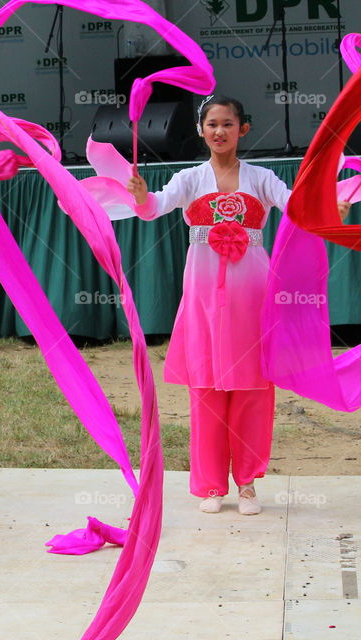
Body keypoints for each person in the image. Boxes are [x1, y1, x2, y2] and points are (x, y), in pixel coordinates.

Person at [126, 96, 349, 515]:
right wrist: (140, 196)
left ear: (243, 130)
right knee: (206, 387)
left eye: (228, 124)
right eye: (212, 124)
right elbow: (153, 209)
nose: (219, 132)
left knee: (253, 386)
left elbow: (298, 208)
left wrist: (330, 208)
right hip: (203, 295)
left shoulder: (262, 178)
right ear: (200, 130)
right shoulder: (189, 179)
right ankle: (211, 486)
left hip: (253, 295)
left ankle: (246, 482)